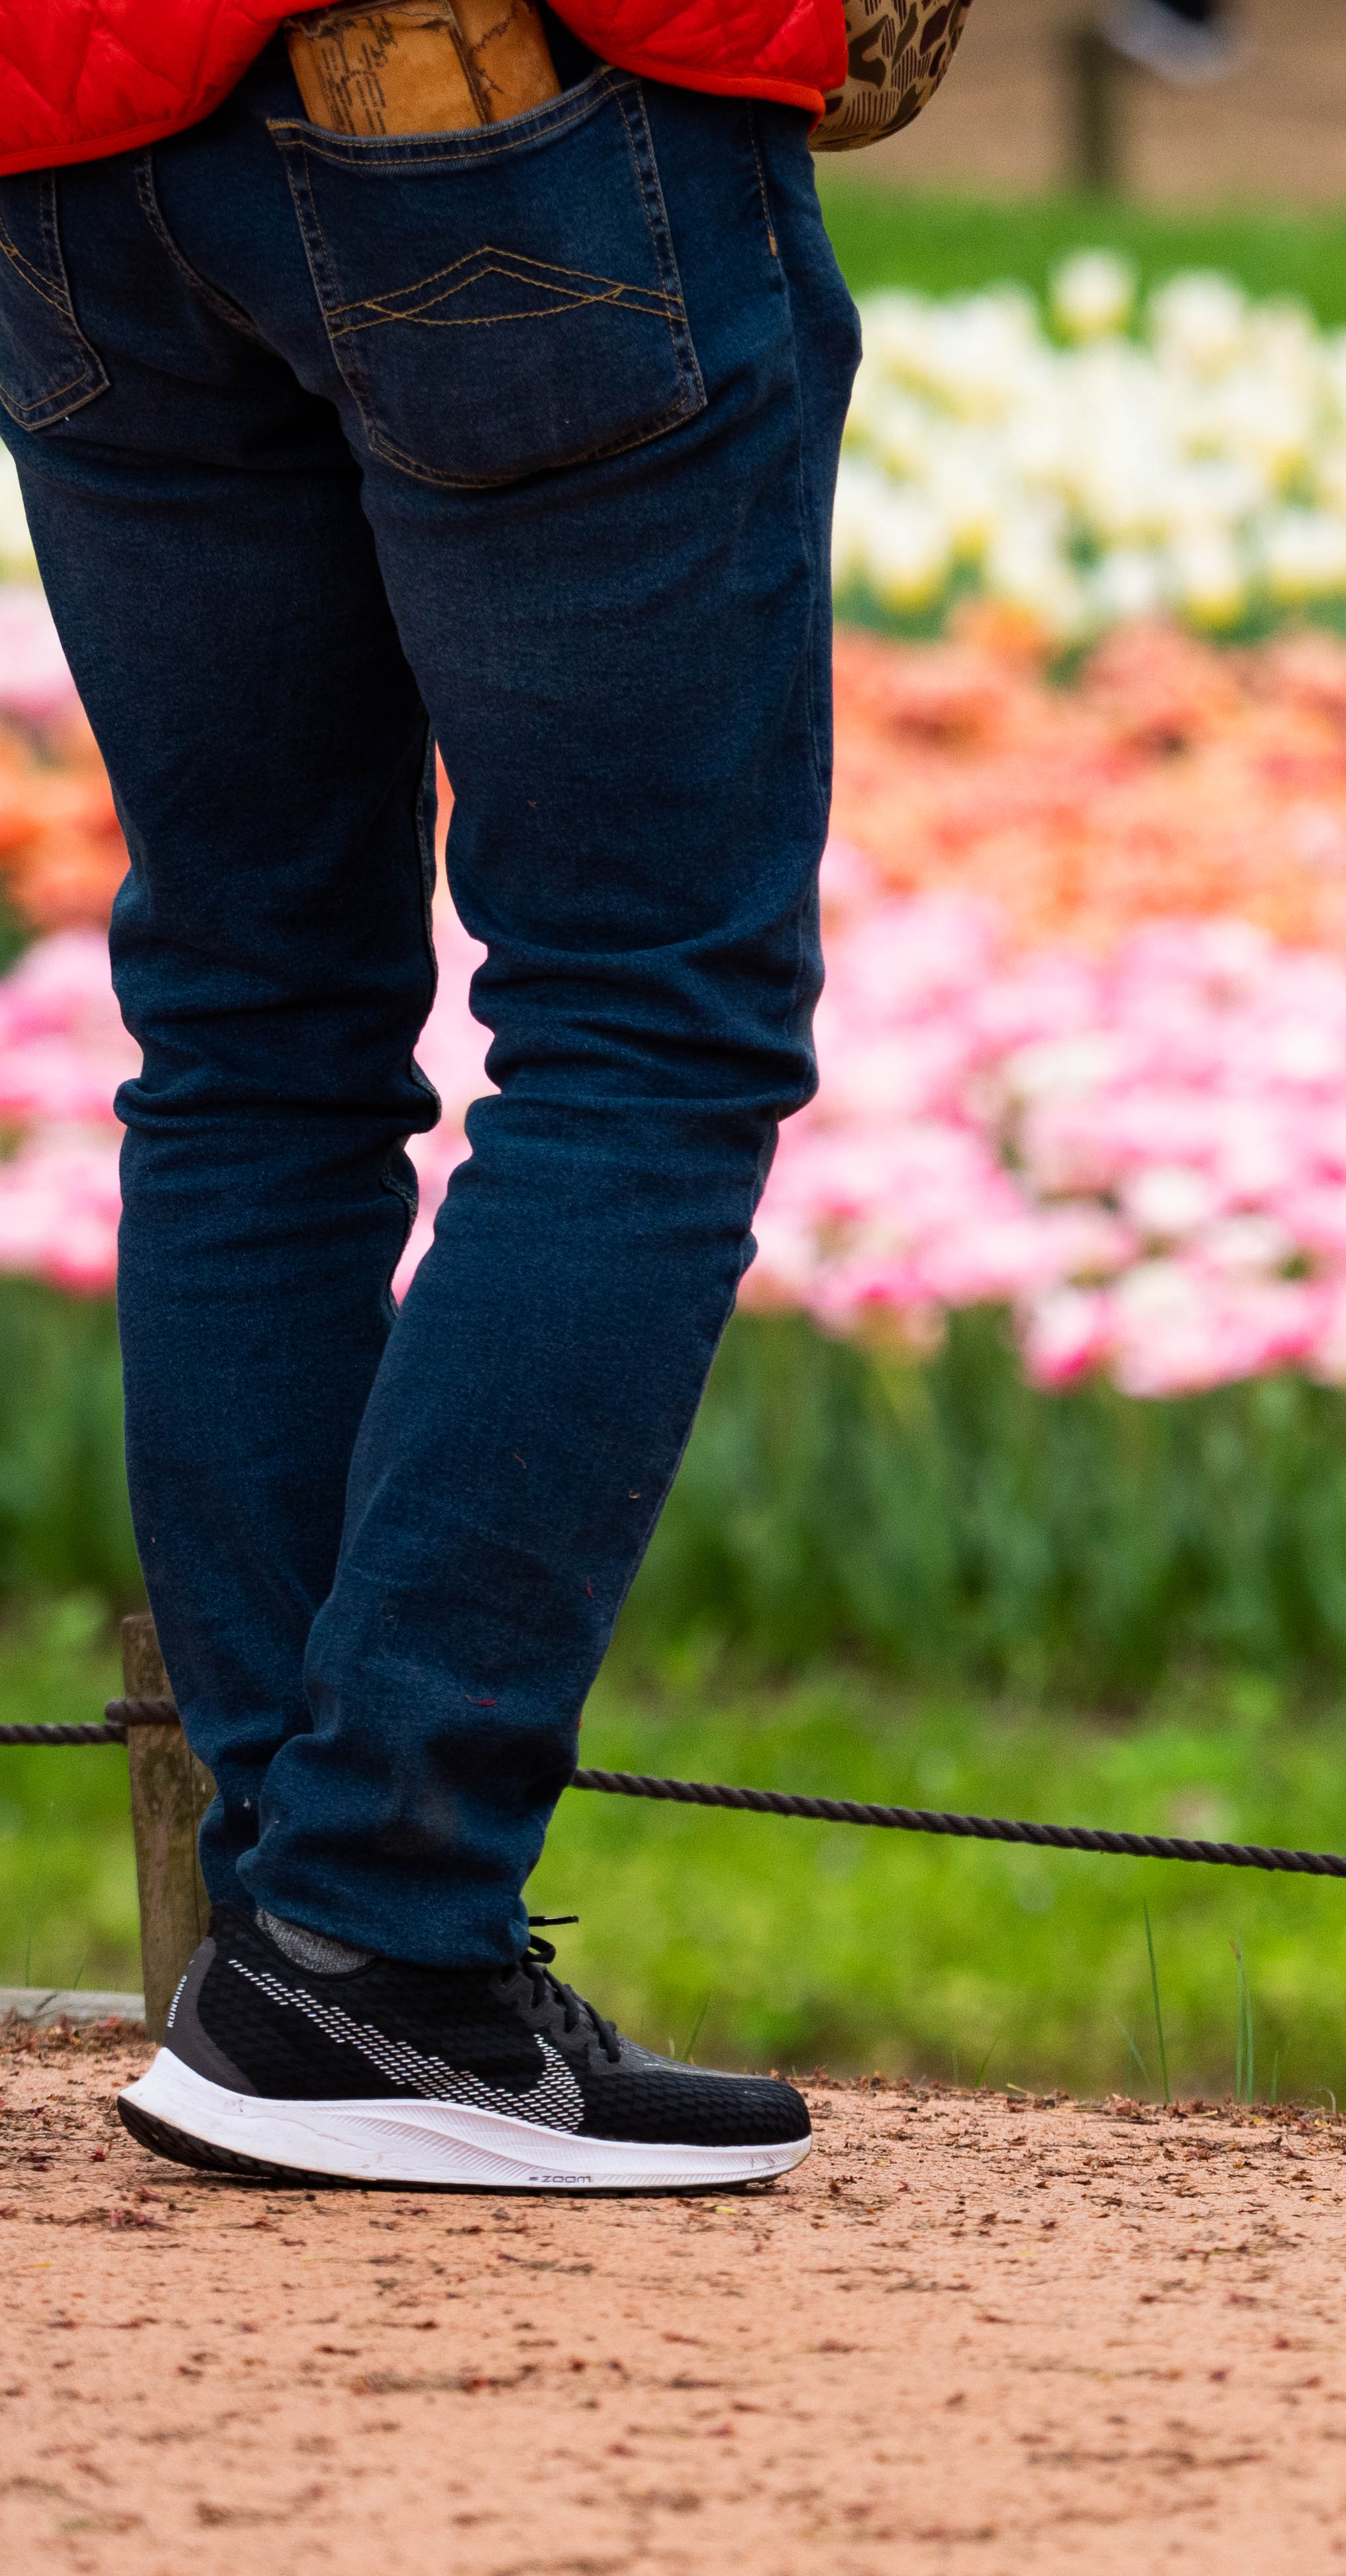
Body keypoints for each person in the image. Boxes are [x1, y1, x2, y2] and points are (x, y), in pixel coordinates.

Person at [0, 0, 856, 2190]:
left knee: (252, 1017)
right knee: (649, 1011)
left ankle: (299, 1964)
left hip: (65, 135)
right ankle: (370, 1940)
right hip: (510, 104)